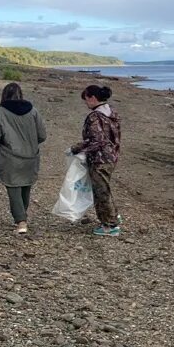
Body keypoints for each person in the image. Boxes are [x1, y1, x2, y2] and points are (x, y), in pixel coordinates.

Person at [0, 82, 47, 234]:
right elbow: (42, 135)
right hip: (31, 155)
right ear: (21, 94)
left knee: (13, 188)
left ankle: (21, 221)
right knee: (26, 185)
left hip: (9, 156)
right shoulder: (33, 111)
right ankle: (22, 217)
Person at [72, 85, 122, 236]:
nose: (86, 103)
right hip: (111, 157)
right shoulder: (111, 112)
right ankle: (114, 216)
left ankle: (109, 225)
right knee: (105, 188)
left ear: (93, 98)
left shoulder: (95, 116)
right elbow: (114, 137)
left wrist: (77, 148)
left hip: (100, 159)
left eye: (86, 99)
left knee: (101, 192)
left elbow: (96, 140)